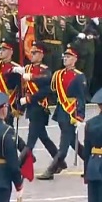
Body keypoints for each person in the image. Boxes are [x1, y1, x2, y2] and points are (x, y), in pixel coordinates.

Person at [33, 44, 87, 180]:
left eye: (68, 57)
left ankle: (51, 170)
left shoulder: (79, 77)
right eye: (65, 56)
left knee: (64, 144)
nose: (65, 59)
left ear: (75, 59)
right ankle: (91, 165)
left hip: (71, 112)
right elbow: (49, 86)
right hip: (62, 111)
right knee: (72, 142)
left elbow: (81, 98)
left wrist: (80, 116)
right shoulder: (58, 74)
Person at [13, 42, 59, 162]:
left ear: (41, 55)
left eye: (35, 53)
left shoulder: (45, 70)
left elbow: (46, 85)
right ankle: (59, 161)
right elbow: (22, 88)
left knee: (30, 142)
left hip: (39, 108)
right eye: (31, 52)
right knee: (44, 137)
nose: (32, 55)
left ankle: (19, 165)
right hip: (30, 108)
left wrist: (32, 78)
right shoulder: (27, 68)